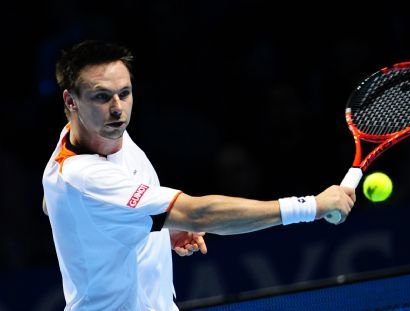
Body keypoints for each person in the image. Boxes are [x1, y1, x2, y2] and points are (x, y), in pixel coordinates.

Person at [42, 40, 356, 310]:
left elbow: (53, 203)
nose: (118, 109)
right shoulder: (85, 177)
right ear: (71, 101)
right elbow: (199, 214)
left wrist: (151, 228)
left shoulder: (82, 135)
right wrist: (312, 206)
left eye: (124, 93)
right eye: (101, 97)